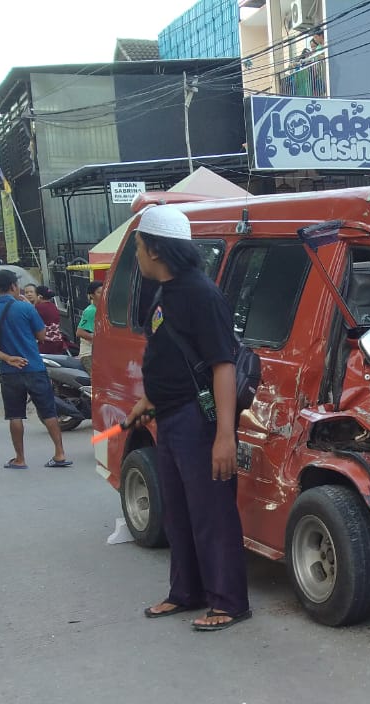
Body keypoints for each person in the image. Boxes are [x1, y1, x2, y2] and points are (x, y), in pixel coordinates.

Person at [127, 204, 251, 633]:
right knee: (178, 512)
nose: (137, 255)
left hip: (200, 423)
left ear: (157, 250)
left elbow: (222, 366)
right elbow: (174, 358)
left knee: (212, 513)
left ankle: (229, 601)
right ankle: (186, 592)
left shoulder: (202, 294)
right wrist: (148, 399)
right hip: (170, 418)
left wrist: (224, 437)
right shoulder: (166, 292)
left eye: (139, 247)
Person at [0, 269, 70, 469]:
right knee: (49, 413)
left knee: (15, 415)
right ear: (13, 286)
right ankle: (60, 454)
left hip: (10, 372)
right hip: (34, 367)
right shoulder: (25, 309)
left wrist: (6, 358)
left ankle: (20, 458)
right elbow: (42, 336)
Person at [32, 286, 71, 355]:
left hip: (46, 343)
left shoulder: (39, 307)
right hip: (57, 341)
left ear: (39, 296)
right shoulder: (53, 306)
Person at [76, 280, 102, 377]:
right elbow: (79, 332)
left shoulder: (102, 309)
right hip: (88, 354)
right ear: (92, 295)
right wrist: (97, 338)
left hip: (99, 352)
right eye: (99, 292)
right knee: (97, 379)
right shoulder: (91, 311)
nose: (103, 294)